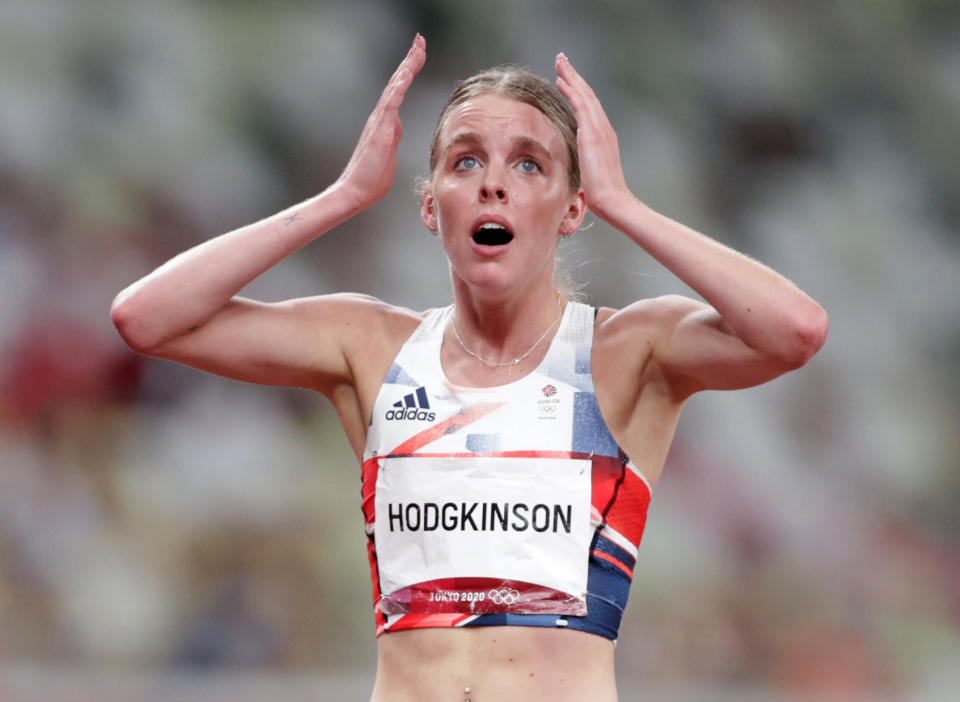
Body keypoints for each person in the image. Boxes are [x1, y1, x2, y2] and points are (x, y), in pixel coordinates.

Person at [112, 34, 828, 702]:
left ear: (572, 206)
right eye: (465, 161)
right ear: (430, 205)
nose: (494, 184)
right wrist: (342, 198)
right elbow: (146, 319)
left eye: (529, 164)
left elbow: (794, 330)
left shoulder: (625, 352)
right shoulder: (372, 348)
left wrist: (625, 204)